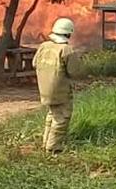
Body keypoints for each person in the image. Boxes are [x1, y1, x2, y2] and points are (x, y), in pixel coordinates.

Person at [34, 17, 86, 154]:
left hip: (44, 90)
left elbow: (34, 64)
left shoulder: (43, 46)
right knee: (62, 117)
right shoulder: (66, 49)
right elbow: (74, 72)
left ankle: (46, 143)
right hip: (60, 91)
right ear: (68, 33)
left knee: (52, 115)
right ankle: (53, 148)